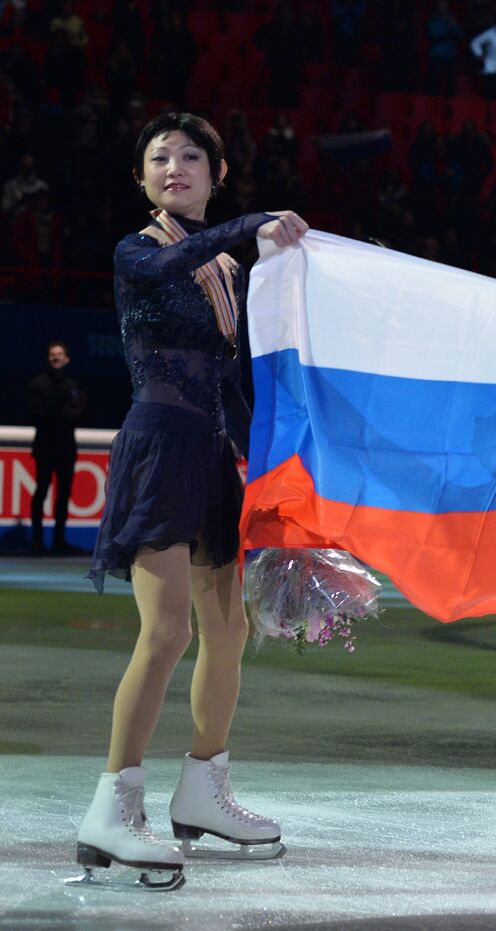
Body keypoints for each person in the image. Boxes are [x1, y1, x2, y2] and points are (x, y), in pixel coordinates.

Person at [73, 112, 308, 891]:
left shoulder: (228, 273)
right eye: (159, 157)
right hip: (157, 445)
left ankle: (203, 789)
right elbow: (174, 270)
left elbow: (228, 386)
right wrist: (251, 225)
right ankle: (113, 802)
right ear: (142, 179)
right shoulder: (139, 251)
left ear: (217, 171)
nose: (175, 166)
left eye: (191, 156)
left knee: (228, 628)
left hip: (211, 454)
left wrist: (277, 469)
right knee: (167, 629)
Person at [27, 340, 86, 555]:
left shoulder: (73, 386)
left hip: (66, 448)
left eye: (60, 354)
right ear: (48, 357)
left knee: (63, 494)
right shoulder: (37, 384)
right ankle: (37, 540)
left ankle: (59, 540)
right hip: (45, 447)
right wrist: (64, 411)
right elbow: (35, 414)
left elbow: (80, 415)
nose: (56, 357)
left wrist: (76, 409)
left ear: (67, 359)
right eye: (53, 354)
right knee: (41, 491)